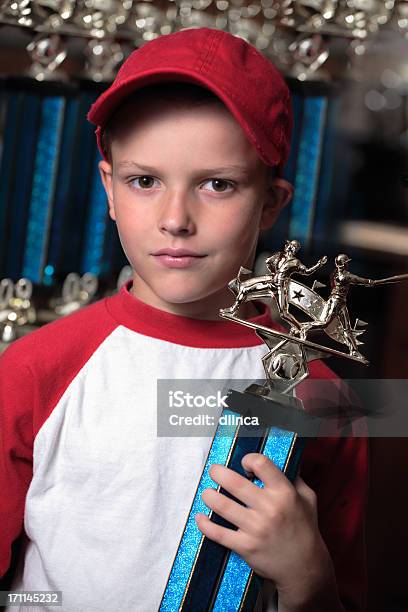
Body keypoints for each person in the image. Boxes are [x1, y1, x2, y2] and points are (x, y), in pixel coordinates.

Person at [0, 28, 367, 611]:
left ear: (270, 204)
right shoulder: (34, 373)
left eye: (217, 184)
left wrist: (308, 575)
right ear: (109, 189)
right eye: (144, 181)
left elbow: (345, 595)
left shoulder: (321, 397)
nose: (176, 218)